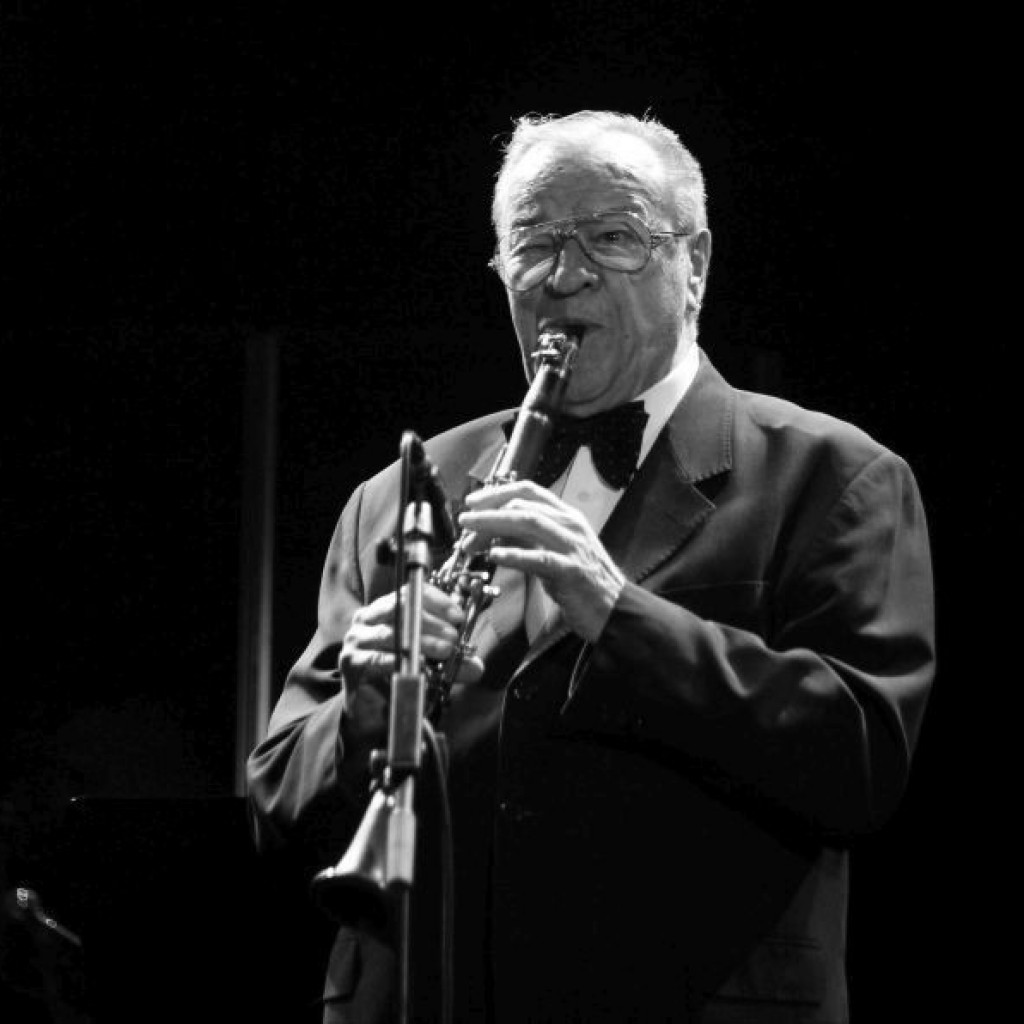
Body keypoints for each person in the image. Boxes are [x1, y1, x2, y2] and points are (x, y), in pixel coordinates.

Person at [246, 110, 935, 1024]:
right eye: (533, 245)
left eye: (613, 238)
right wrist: (367, 711)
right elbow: (276, 799)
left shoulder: (835, 477)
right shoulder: (401, 494)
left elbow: (859, 763)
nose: (565, 276)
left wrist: (618, 613)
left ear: (695, 264)